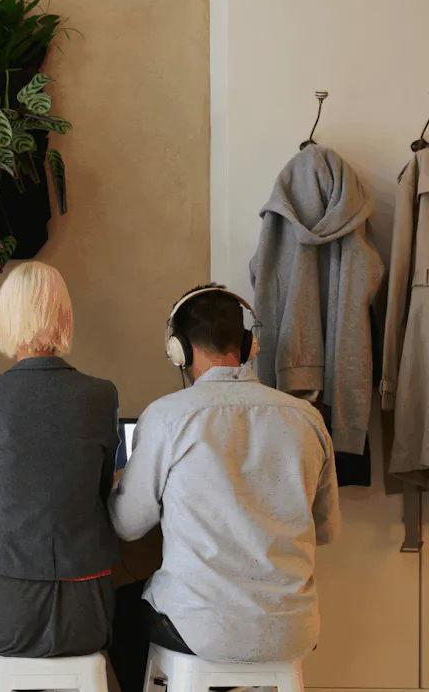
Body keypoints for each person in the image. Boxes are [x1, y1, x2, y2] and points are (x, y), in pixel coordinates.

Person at [108, 284, 341, 689]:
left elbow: (127, 526)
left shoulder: (167, 417)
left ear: (178, 349)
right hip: (291, 631)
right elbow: (326, 530)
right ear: (250, 344)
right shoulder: (307, 420)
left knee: (119, 609)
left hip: (202, 631)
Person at [0, 261, 120, 659]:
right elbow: (101, 494)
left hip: (1, 611)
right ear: (64, 315)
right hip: (87, 615)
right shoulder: (102, 396)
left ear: (6, 319)